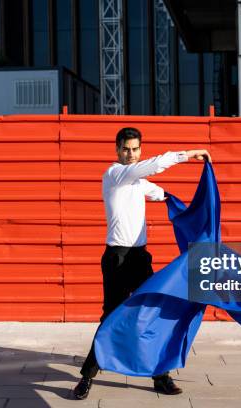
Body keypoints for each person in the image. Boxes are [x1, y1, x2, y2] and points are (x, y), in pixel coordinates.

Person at [73, 127, 211, 400]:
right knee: (110, 316)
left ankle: (161, 376)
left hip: (139, 258)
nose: (131, 154)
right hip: (117, 258)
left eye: (135, 149)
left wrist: (195, 208)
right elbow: (156, 165)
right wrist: (190, 154)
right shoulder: (115, 174)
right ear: (117, 149)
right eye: (126, 149)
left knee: (154, 311)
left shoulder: (138, 182)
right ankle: (87, 377)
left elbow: (161, 194)